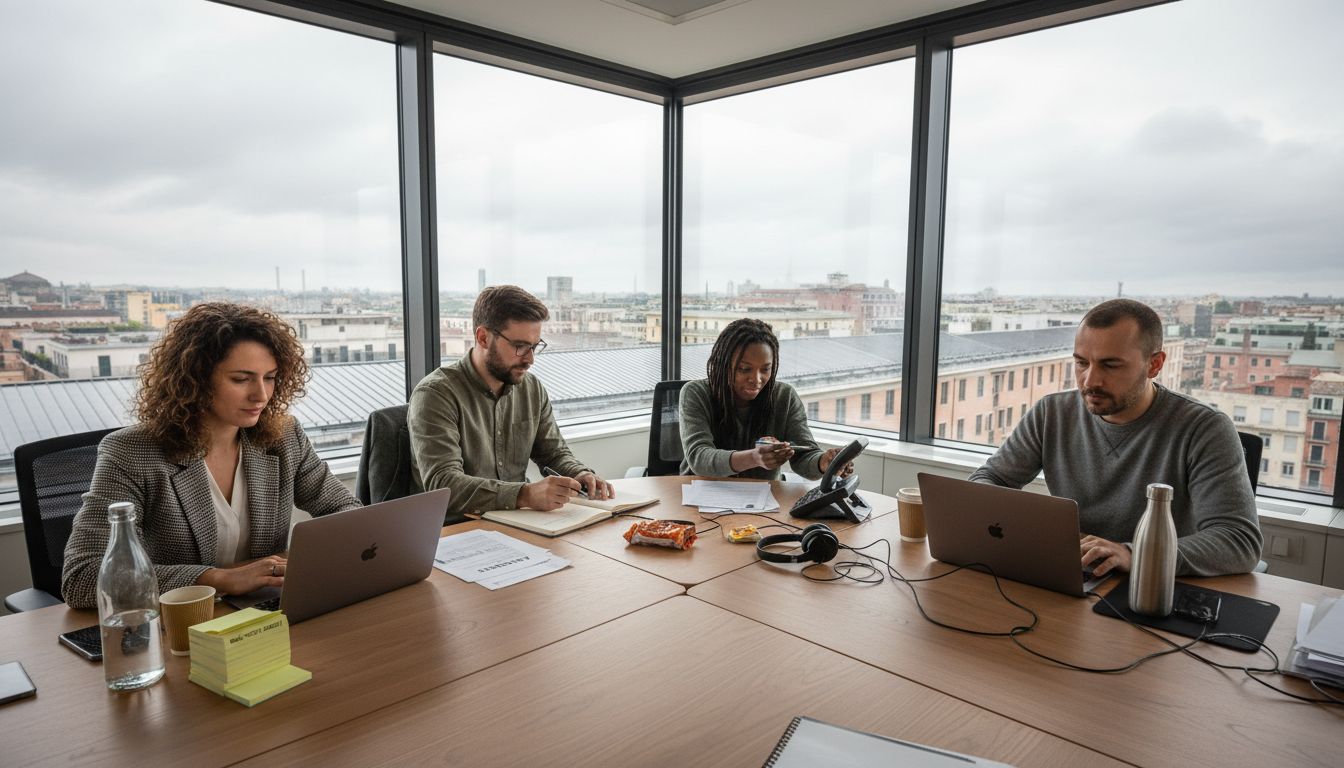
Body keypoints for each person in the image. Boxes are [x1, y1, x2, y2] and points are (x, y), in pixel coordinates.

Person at [61, 303, 360, 609]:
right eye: (241, 379)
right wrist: (216, 579)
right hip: (179, 621)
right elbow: (82, 577)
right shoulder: (132, 453)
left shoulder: (284, 437)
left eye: (269, 377)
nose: (261, 395)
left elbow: (344, 510)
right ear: (195, 379)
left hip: (260, 616)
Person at [969, 299, 1262, 577]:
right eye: (1081, 363)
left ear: (1154, 364)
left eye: (1110, 365)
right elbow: (989, 479)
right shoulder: (1052, 413)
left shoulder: (1204, 429)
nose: (1090, 380)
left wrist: (1134, 554)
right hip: (1073, 573)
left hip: (1153, 585)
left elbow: (1239, 542)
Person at [409, 285, 612, 521]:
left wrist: (579, 472)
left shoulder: (531, 388)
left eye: (535, 346)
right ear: (483, 337)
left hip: (518, 523)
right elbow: (443, 484)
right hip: (456, 530)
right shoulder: (436, 394)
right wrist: (525, 494)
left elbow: (554, 454)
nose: (530, 359)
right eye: (520, 346)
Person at [680, 317, 853, 481]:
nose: (756, 379)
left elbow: (804, 455)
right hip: (701, 494)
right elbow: (699, 457)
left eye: (765, 369)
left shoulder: (784, 397)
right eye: (744, 369)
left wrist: (824, 462)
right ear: (722, 365)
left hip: (763, 501)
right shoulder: (696, 394)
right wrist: (754, 458)